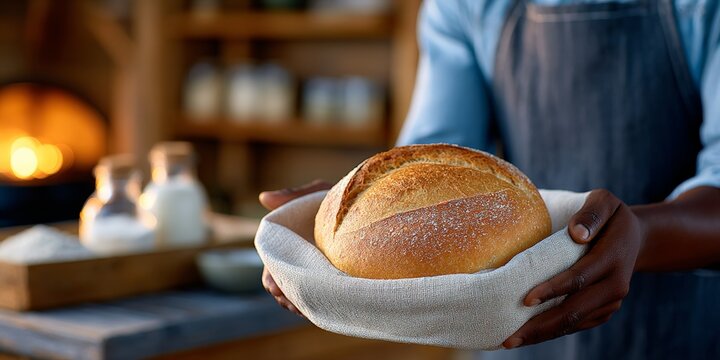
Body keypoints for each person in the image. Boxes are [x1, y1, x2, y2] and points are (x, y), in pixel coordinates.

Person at [260, 0, 720, 358]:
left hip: (682, 329)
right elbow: (430, 158)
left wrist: (640, 233)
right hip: (513, 331)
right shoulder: (466, 5)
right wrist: (341, 213)